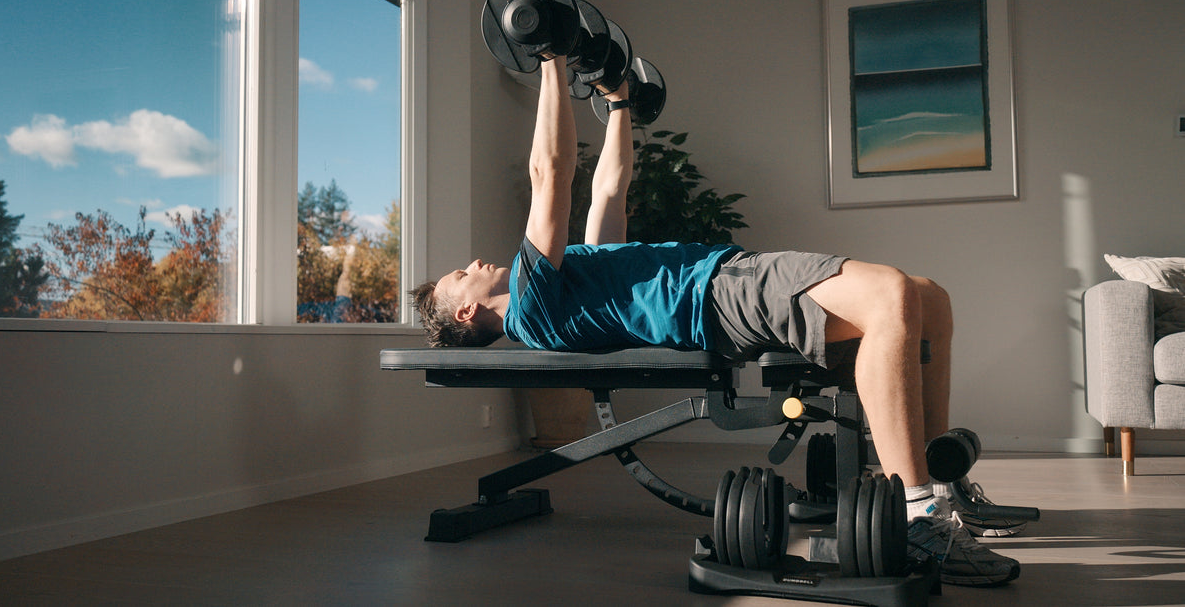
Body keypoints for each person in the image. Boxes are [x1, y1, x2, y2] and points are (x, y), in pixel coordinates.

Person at [412, 55, 1024, 585]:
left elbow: (609, 190)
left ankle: (944, 491)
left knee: (929, 298)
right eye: (458, 276)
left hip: (724, 280)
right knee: (890, 293)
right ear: (467, 310)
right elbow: (551, 176)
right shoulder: (531, 300)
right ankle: (919, 516)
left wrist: (619, 102)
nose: (469, 263)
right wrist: (551, 57)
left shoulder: (565, 283)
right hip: (718, 296)